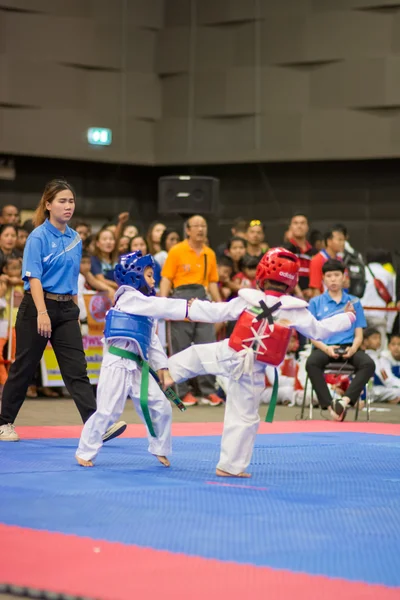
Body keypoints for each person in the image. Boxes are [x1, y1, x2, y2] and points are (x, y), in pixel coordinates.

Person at [168, 248, 356, 477]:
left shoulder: (248, 298)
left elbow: (218, 312)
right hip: (253, 369)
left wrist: (194, 306)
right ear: (292, 280)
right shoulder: (295, 310)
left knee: (196, 355)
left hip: (228, 352)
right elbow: (321, 330)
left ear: (261, 273)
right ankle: (230, 467)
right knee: (244, 418)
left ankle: (167, 373)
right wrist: (348, 317)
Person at [0, 179, 126, 442]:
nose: (68, 206)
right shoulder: (38, 237)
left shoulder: (75, 238)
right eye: (62, 201)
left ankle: (95, 424)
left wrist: (74, 304)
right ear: (48, 205)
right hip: (37, 308)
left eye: (71, 201)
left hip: (66, 309)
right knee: (24, 366)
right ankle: (4, 423)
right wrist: (43, 312)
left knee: (77, 370)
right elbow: (33, 278)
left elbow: (72, 275)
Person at [75, 251, 190, 467]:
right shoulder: (129, 297)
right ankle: (85, 450)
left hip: (138, 365)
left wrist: (162, 368)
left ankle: (160, 448)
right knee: (108, 411)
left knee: (161, 406)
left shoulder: (144, 306)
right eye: (149, 275)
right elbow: (159, 306)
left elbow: (152, 341)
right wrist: (187, 307)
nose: (153, 280)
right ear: (135, 276)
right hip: (116, 364)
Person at [160, 214, 222, 407]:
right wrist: (163, 304)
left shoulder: (209, 253)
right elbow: (167, 279)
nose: (201, 229)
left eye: (203, 225)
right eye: (196, 226)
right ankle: (182, 391)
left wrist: (220, 306)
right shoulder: (176, 251)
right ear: (187, 230)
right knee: (181, 347)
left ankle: (209, 391)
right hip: (180, 298)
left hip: (202, 299)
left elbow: (212, 282)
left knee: (208, 345)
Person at [306, 260, 374, 422]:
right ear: (323, 278)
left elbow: (359, 333)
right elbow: (311, 334)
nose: (333, 280)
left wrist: (354, 348)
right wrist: (326, 349)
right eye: (329, 276)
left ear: (344, 277)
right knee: (311, 363)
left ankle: (345, 401)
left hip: (349, 347)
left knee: (368, 364)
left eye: (337, 275)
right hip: (325, 347)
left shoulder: (355, 302)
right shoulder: (315, 302)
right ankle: (331, 406)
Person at [363, 328, 400, 404]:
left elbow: (387, 378)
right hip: (368, 390)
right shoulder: (367, 357)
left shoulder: (379, 357)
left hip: (376, 388)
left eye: (379, 338)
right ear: (365, 341)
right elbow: (386, 379)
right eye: (374, 338)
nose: (378, 341)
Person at [284, 214, 316, 300]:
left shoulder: (314, 252)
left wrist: (313, 290)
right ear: (290, 227)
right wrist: (298, 293)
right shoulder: (284, 250)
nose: (299, 226)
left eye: (302, 223)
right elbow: (284, 274)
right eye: (296, 223)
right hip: (288, 298)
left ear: (307, 227)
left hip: (311, 298)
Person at [309, 227, 346, 296]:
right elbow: (315, 289)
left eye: (344, 240)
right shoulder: (317, 260)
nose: (343, 243)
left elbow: (347, 283)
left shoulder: (340, 259)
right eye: (340, 240)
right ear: (329, 241)